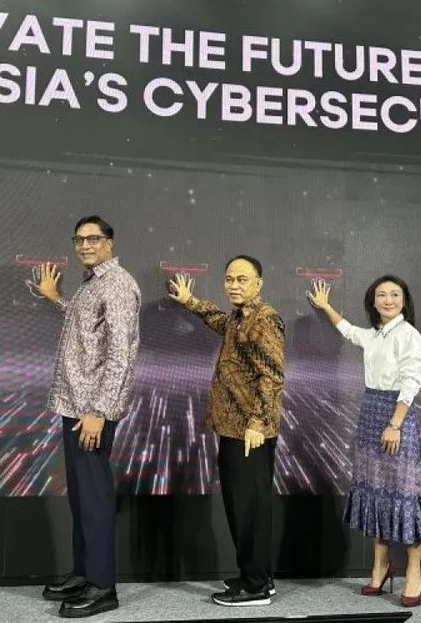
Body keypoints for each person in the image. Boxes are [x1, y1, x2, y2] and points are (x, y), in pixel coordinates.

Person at [30, 215, 141, 618]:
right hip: (74, 405)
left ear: (109, 242)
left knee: (93, 500)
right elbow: (86, 331)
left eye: (93, 238)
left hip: (92, 410)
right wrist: (55, 298)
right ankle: (84, 572)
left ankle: (102, 586)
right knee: (80, 497)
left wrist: (99, 410)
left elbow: (121, 352)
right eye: (79, 239)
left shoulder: (117, 283)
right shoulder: (92, 283)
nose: (85, 245)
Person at [307, 274, 421, 608]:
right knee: (375, 489)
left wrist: (395, 423)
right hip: (370, 413)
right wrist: (325, 307)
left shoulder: (409, 336)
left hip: (397, 414)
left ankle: (413, 571)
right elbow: (350, 332)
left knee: (404, 492)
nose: (388, 300)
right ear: (373, 301)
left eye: (395, 294)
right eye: (381, 295)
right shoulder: (376, 334)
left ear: (404, 301)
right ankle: (381, 566)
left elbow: (412, 382)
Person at [168, 256, 285, 607]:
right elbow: (217, 319)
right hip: (233, 428)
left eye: (242, 279)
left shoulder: (265, 319)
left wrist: (257, 423)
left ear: (259, 283)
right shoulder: (238, 317)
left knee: (250, 510)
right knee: (244, 508)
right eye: (229, 279)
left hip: (249, 432)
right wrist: (191, 302)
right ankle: (257, 575)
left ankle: (256, 587)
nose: (234, 285)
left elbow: (273, 376)